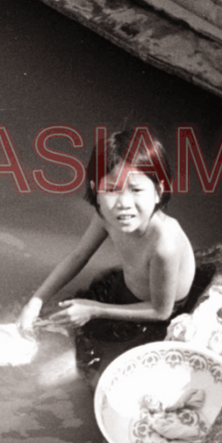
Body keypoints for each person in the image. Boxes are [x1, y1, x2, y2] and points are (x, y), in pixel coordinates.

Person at [16, 127, 197, 369]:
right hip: (125, 288)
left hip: (154, 314)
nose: (123, 204)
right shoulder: (105, 216)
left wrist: (94, 309)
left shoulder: (164, 244)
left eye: (136, 190)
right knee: (55, 316)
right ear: (96, 191)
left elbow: (161, 312)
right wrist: (35, 302)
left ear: (158, 192)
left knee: (82, 366)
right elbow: (79, 255)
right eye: (111, 189)